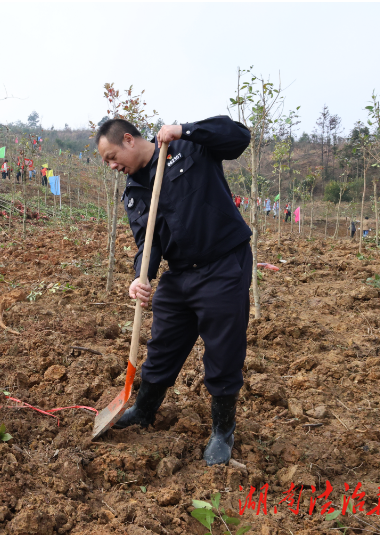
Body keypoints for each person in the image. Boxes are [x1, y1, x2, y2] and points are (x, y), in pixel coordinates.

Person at [96, 116, 251, 467]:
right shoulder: (134, 192)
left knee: (224, 350)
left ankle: (222, 431)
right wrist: (141, 277)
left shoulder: (187, 147)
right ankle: (144, 410)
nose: (112, 166)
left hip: (223, 264)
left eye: (111, 156)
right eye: (107, 162)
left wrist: (186, 130)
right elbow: (147, 245)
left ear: (129, 140)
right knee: (163, 342)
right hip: (180, 274)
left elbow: (239, 137)